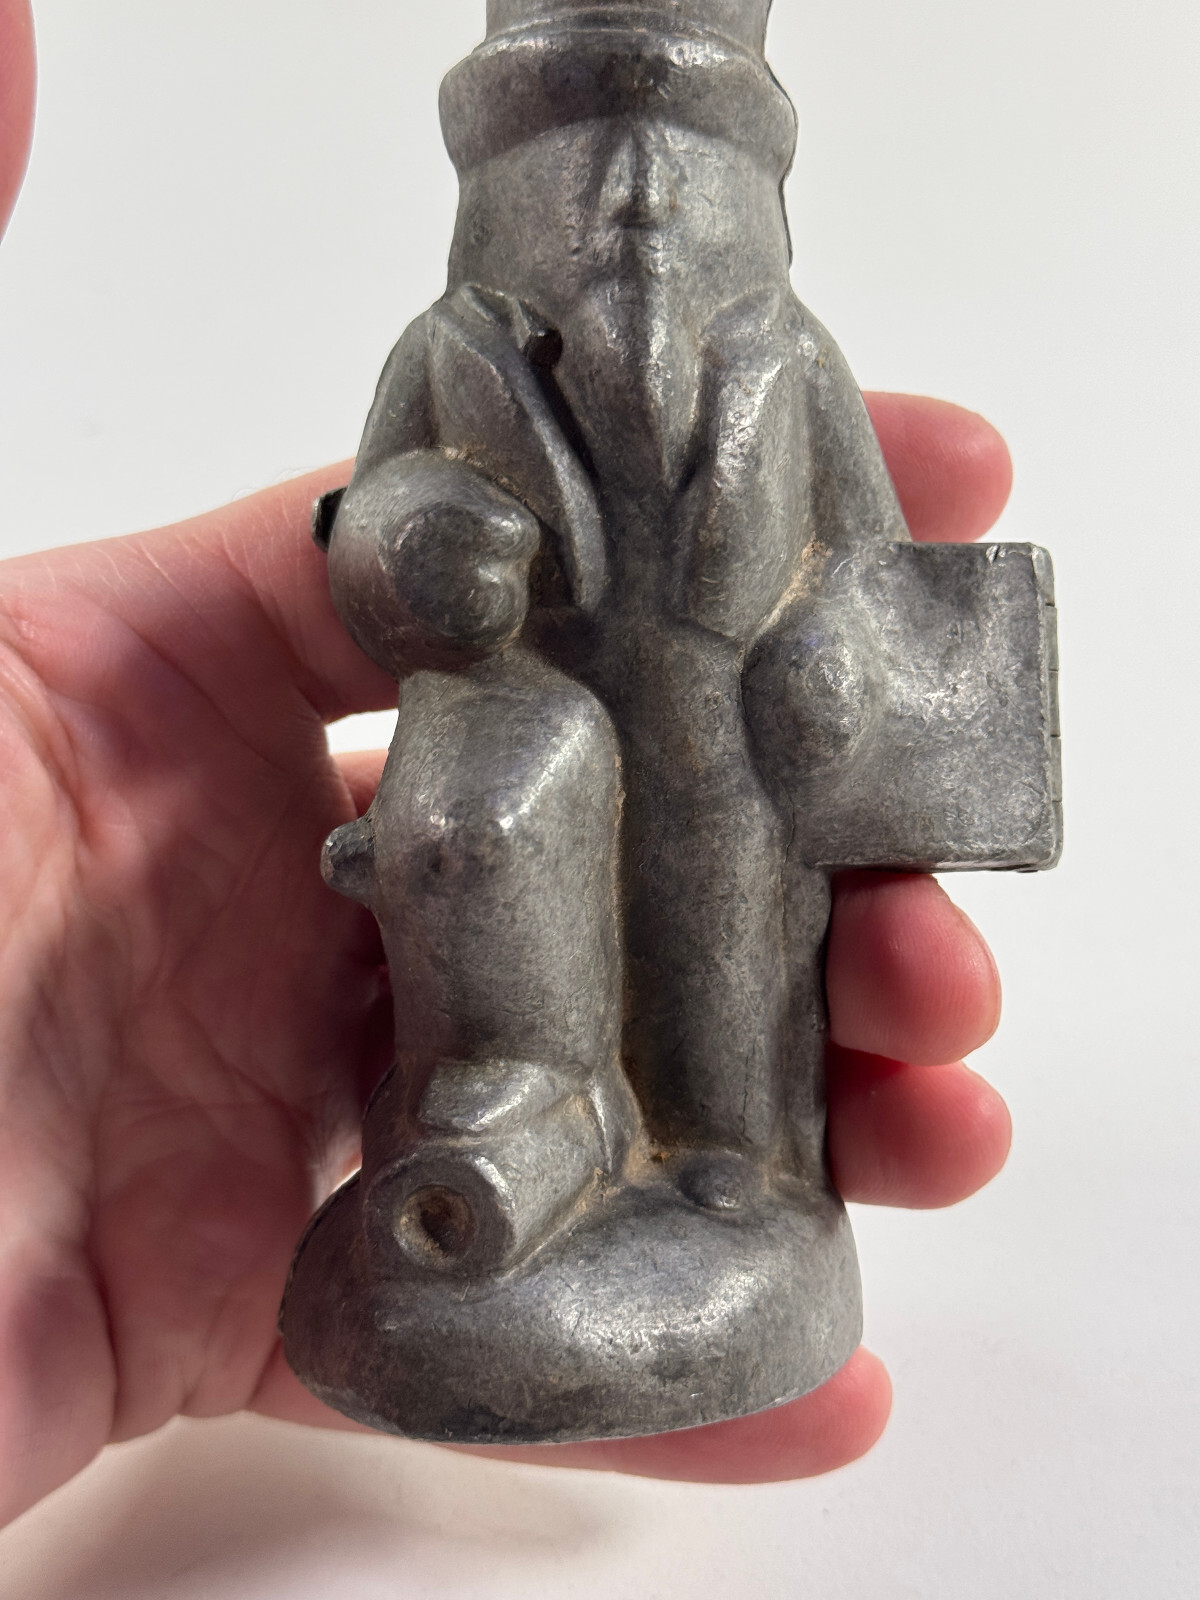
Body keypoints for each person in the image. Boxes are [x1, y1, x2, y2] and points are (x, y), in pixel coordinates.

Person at [0, 0, 1014, 1527]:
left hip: (736, 751)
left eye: (678, 173)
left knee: (730, 969)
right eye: (589, 169)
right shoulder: (451, 351)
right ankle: (510, 1114)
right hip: (530, 722)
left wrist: (839, 656)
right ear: (494, 182)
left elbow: (870, 565)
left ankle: (737, 1166)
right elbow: (365, 537)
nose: (638, 210)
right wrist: (413, 546)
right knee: (494, 891)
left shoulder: (791, 359)